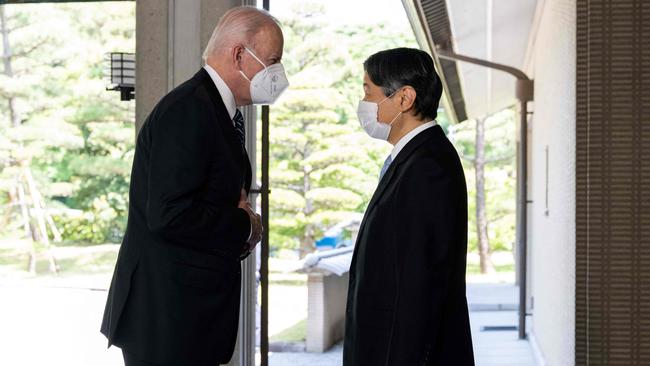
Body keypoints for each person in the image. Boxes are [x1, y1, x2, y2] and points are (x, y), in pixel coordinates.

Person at [100, 6, 288, 366]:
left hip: (187, 315)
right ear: (239, 55)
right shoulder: (188, 110)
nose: (278, 73)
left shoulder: (217, 109)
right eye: (273, 60)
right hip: (166, 318)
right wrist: (246, 225)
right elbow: (169, 215)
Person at [343, 47, 475, 365]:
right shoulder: (412, 159)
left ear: (404, 98)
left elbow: (420, 282)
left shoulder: (428, 166)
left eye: (369, 92)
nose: (364, 104)